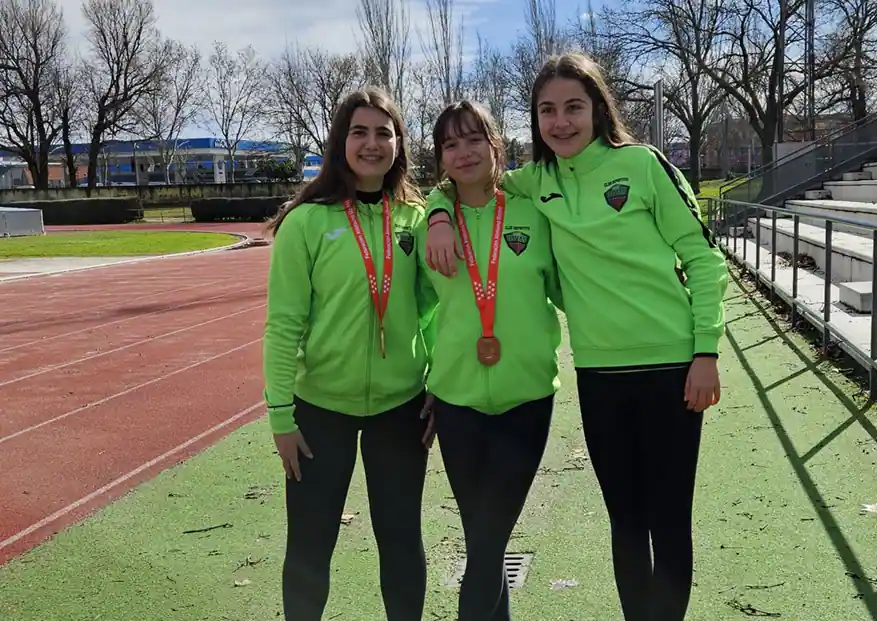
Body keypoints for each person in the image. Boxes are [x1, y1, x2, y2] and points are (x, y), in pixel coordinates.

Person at [424, 53, 728, 621]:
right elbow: (463, 181)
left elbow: (705, 260)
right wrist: (439, 215)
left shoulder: (643, 165)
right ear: (534, 120)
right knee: (626, 522)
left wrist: (705, 351)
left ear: (597, 110)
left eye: (573, 108)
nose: (561, 122)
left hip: (671, 369)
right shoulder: (536, 183)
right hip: (598, 377)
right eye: (547, 111)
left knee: (668, 518)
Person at [262, 86, 437, 621]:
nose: (371, 143)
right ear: (341, 142)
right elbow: (283, 325)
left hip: (400, 408)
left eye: (383, 132)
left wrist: (439, 382)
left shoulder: (418, 218)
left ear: (399, 143)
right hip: (320, 411)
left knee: (402, 543)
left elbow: (436, 310)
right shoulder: (308, 221)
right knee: (311, 547)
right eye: (359, 132)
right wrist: (280, 417)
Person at [415, 100, 563, 621]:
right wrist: (437, 210)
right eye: (450, 144)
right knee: (483, 536)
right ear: (439, 158)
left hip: (526, 397)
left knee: (488, 536)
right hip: (457, 402)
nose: (463, 152)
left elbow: (571, 284)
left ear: (495, 144)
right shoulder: (428, 222)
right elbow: (411, 307)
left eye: (473, 139)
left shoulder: (532, 209)